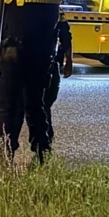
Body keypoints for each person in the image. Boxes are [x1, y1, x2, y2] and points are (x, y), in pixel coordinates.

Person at [0, 0, 63, 163]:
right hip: (42, 56)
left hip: (15, 55)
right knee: (36, 106)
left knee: (8, 106)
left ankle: (4, 153)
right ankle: (42, 152)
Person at [44, 13, 74, 144]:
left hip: (48, 64)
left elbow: (66, 39)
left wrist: (69, 61)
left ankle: (44, 145)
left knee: (43, 106)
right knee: (43, 107)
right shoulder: (56, 11)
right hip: (50, 64)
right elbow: (66, 39)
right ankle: (44, 146)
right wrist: (69, 62)